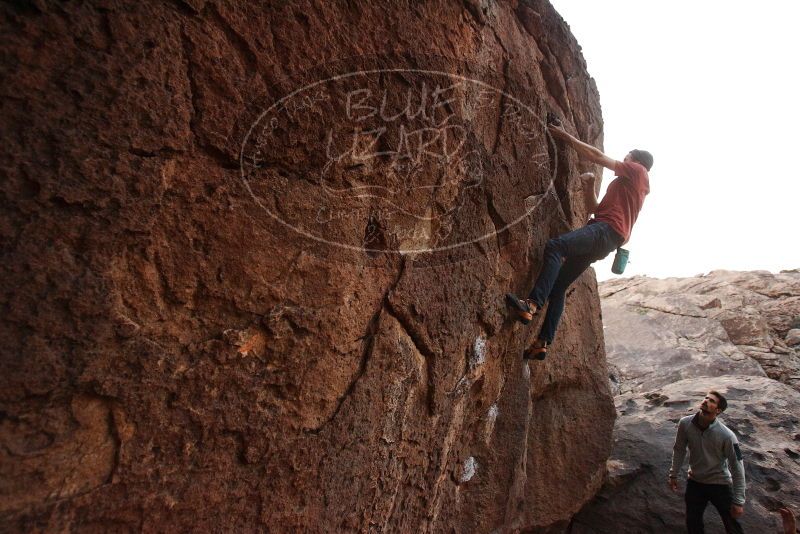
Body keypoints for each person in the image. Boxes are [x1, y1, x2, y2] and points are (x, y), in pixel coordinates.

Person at [505, 123, 652, 359]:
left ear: (634, 160)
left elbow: (597, 156)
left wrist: (566, 138)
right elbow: (595, 208)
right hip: (606, 236)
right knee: (560, 285)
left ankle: (531, 305)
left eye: (627, 157)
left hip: (605, 231)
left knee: (555, 246)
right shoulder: (625, 187)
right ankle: (542, 342)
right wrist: (590, 185)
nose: (623, 161)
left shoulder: (638, 171)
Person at [669, 391, 746, 534]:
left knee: (732, 526)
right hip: (695, 483)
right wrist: (673, 474)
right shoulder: (685, 424)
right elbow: (679, 449)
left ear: (718, 410)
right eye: (705, 398)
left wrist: (739, 500)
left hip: (720, 484)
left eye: (711, 401)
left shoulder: (727, 435)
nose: (705, 401)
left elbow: (737, 466)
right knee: (693, 524)